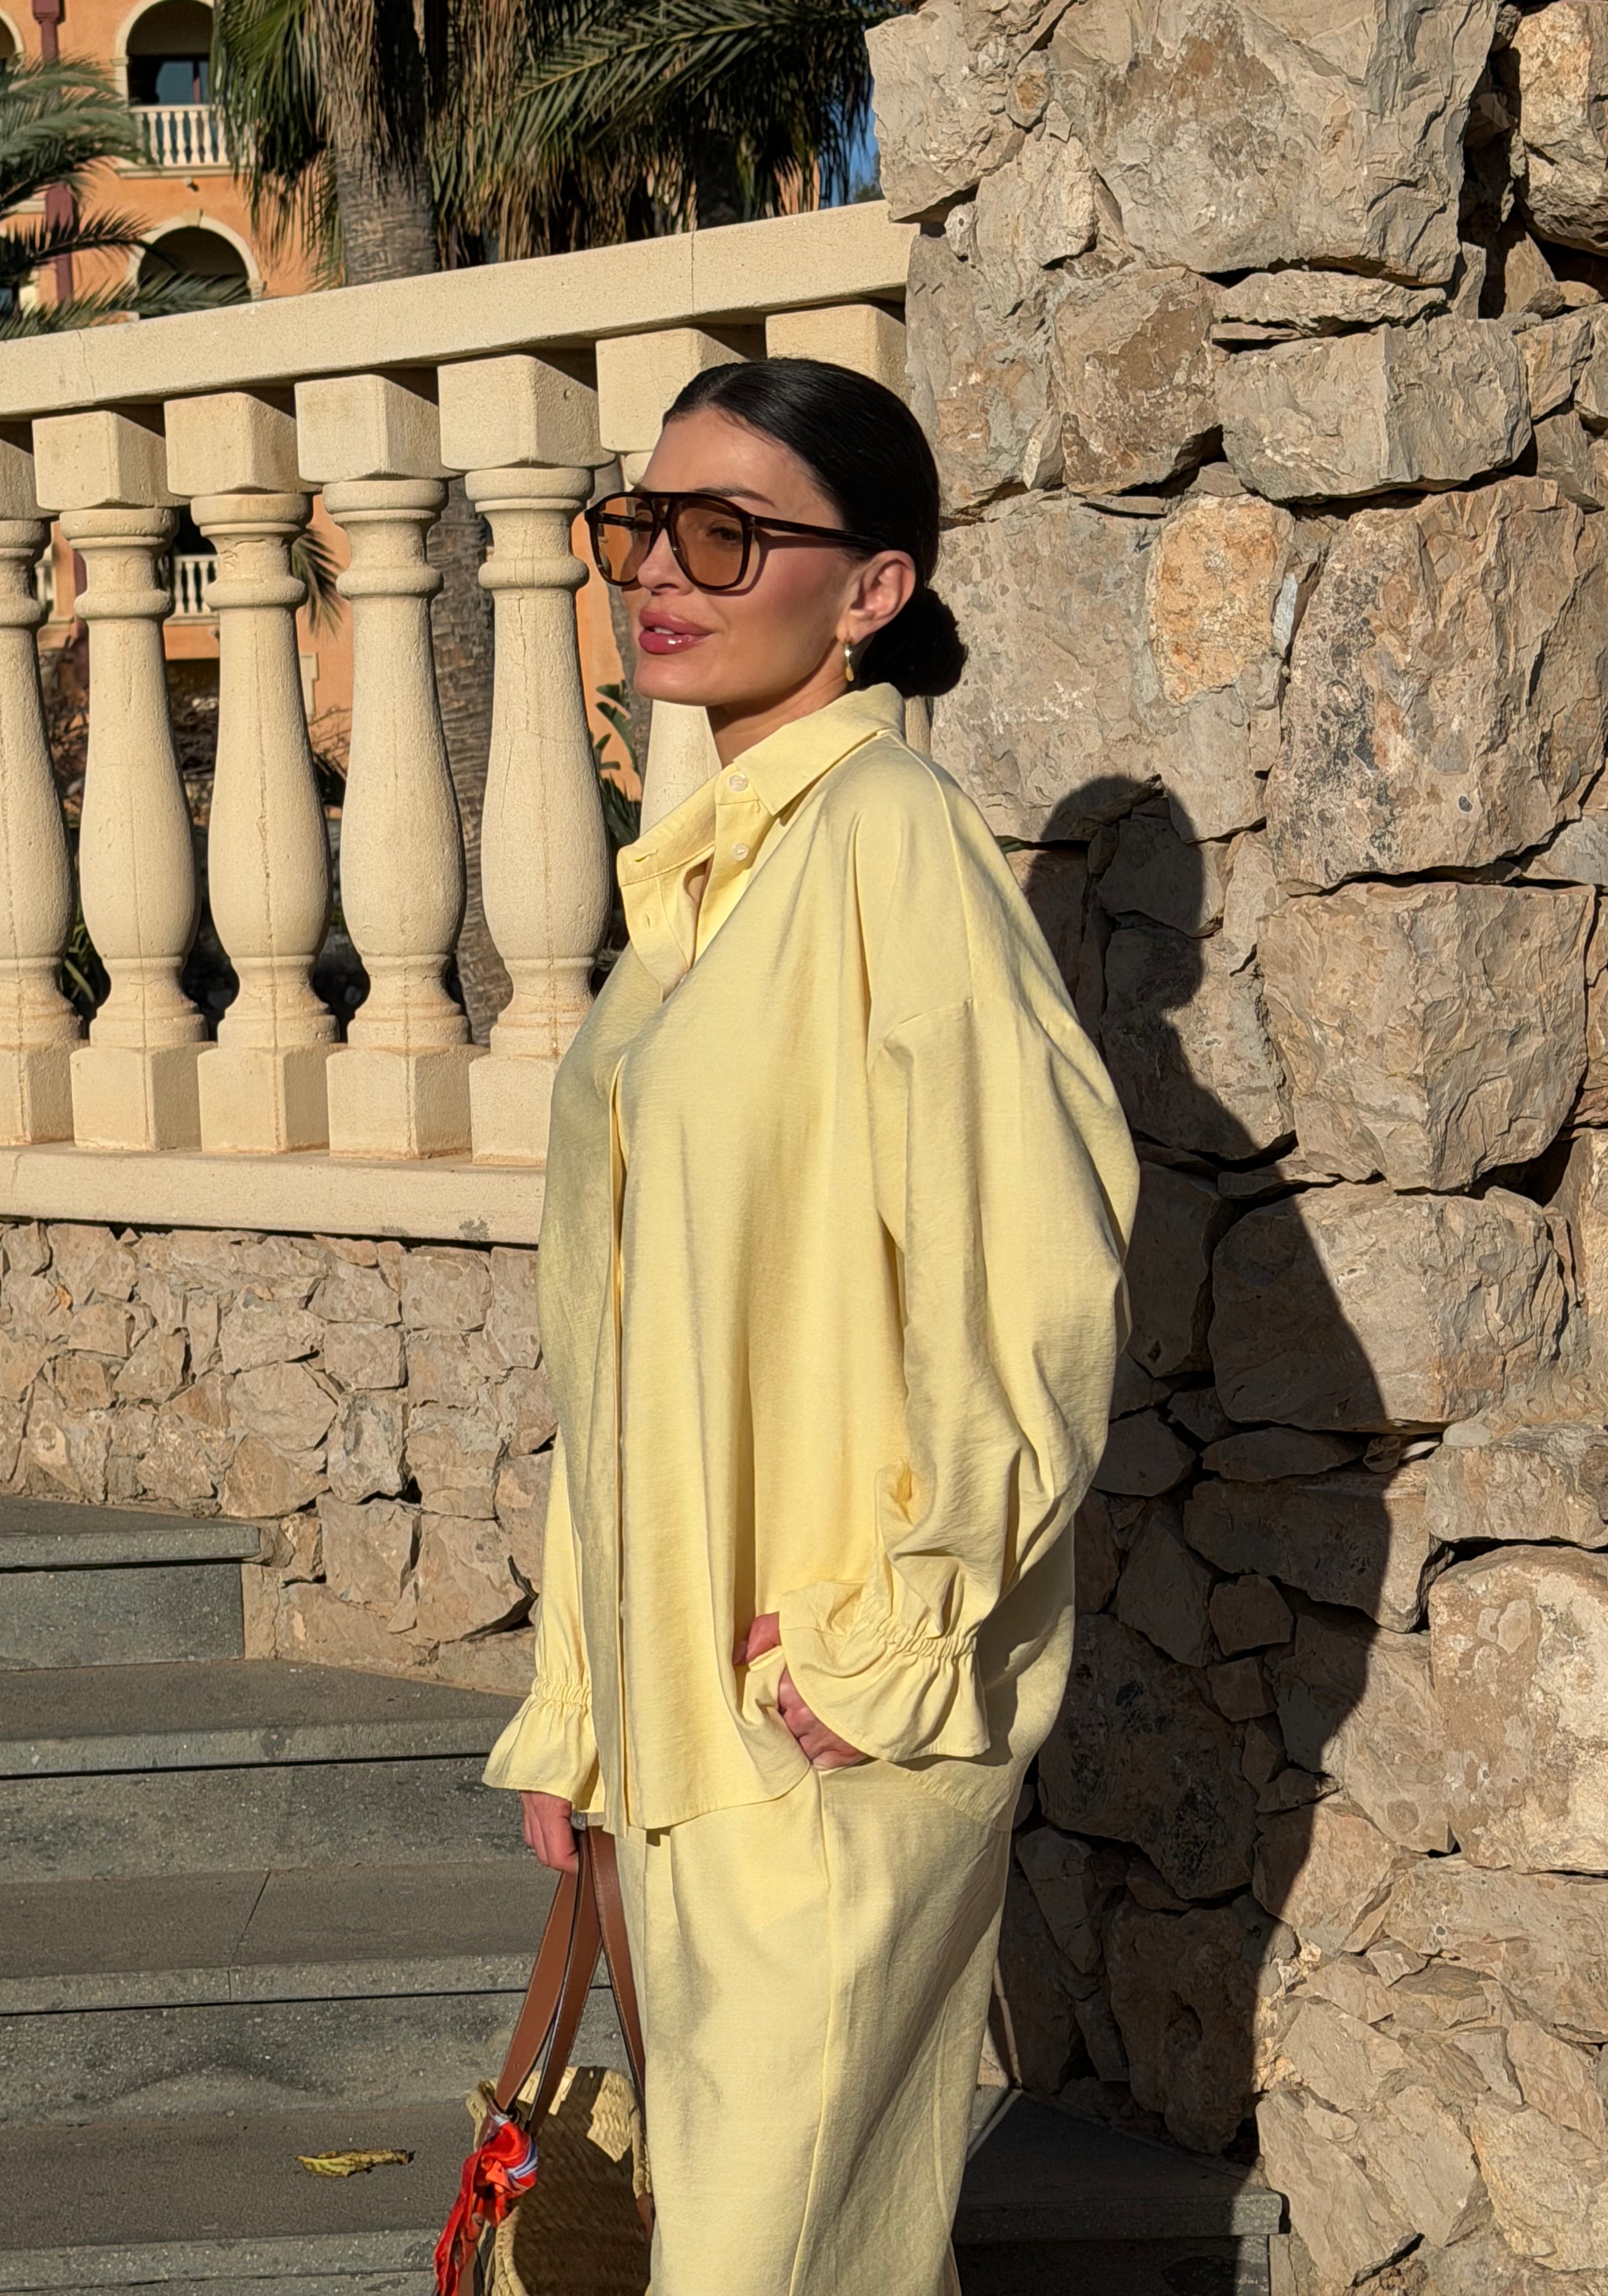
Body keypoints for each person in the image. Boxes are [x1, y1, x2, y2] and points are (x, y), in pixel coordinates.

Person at [482, 357, 1138, 2296]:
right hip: (687, 1727)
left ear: (872, 590)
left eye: (726, 534)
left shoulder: (891, 838)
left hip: (825, 1715)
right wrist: (586, 1703)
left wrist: (891, 1638)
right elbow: (626, 1342)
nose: (656, 573)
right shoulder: (708, 885)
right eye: (642, 526)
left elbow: (1035, 1265)